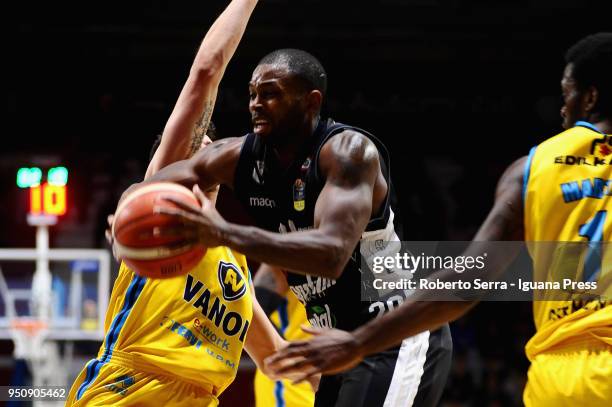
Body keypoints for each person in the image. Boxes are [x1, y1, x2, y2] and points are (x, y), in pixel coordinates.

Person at [266, 33, 612, 406]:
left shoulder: (532, 169)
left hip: (564, 380)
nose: (562, 109)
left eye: (567, 95)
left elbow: (469, 277)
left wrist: (358, 342)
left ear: (590, 98)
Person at [136, 48, 452, 407]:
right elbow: (161, 182)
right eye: (253, 94)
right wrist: (133, 211)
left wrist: (222, 232)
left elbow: (332, 254)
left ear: (310, 101)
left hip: (392, 334)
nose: (256, 104)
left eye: (270, 94)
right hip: (335, 345)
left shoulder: (348, 152)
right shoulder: (242, 157)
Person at [65, 1, 299, 405]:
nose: (208, 159)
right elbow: (207, 70)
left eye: (212, 152)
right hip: (129, 390)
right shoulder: (158, 212)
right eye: (198, 150)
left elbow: (275, 356)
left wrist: (362, 363)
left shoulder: (234, 262)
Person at [253, 264, 314, 407]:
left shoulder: (373, 250)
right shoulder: (299, 244)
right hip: (291, 386)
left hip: (348, 379)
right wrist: (298, 364)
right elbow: (254, 307)